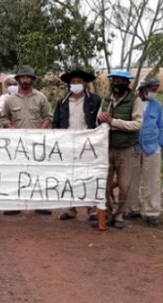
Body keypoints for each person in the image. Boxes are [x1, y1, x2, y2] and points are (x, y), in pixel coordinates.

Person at [0, 65, 53, 216]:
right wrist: (12, 129)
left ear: (33, 80)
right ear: (18, 80)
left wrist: (40, 132)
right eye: (23, 77)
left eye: (28, 77)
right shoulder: (10, 100)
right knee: (16, 173)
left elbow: (48, 116)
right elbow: (4, 118)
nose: (26, 80)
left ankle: (39, 204)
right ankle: (15, 204)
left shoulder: (40, 98)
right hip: (17, 144)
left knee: (37, 173)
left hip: (36, 144)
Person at [52, 69, 102, 221]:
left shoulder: (95, 100)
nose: (76, 85)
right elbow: (56, 123)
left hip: (88, 144)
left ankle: (91, 209)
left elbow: (99, 121)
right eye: (73, 82)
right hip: (68, 144)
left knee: (89, 176)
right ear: (69, 85)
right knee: (69, 176)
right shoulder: (62, 102)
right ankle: (70, 208)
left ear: (85, 84)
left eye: (79, 82)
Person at [97, 70, 143, 229]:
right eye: (115, 80)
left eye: (121, 81)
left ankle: (119, 215)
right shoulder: (106, 99)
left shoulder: (135, 100)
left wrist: (113, 122)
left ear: (127, 84)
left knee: (124, 185)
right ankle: (107, 215)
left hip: (127, 149)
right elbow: (99, 120)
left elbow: (137, 125)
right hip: (107, 147)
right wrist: (101, 119)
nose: (117, 84)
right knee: (105, 184)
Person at [125, 77, 163, 226]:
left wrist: (162, 146)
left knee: (152, 180)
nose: (154, 93)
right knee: (132, 179)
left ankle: (151, 212)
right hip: (133, 146)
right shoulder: (132, 103)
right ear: (144, 89)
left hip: (152, 146)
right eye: (152, 89)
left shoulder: (156, 106)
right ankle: (132, 208)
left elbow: (162, 126)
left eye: (156, 90)